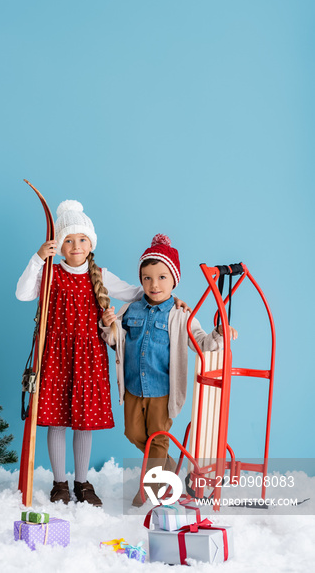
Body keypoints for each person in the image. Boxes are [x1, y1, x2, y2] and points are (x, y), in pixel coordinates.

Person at [16, 203, 188, 507]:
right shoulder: (50, 272)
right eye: (68, 240)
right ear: (59, 245)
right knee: (56, 421)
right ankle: (60, 484)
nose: (76, 246)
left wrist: (172, 298)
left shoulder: (100, 275)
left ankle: (82, 483)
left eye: (82, 240)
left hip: (89, 358)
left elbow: (139, 292)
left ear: (91, 243)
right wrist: (38, 257)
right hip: (55, 357)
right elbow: (23, 293)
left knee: (85, 421)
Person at [100, 234, 238, 507]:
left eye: (162, 277)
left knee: (158, 438)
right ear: (141, 280)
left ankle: (149, 489)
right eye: (148, 278)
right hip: (132, 386)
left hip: (163, 389)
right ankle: (168, 465)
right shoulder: (131, 309)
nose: (154, 284)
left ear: (175, 280)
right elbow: (117, 340)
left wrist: (219, 333)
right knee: (134, 433)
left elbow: (200, 341)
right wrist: (109, 325)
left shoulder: (181, 314)